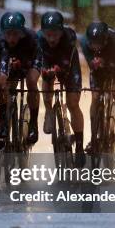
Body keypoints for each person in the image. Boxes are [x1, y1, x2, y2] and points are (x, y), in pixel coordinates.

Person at [38, 11, 85, 163]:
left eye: (55, 34)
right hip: (49, 62)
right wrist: (46, 72)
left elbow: (67, 63)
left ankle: (79, 145)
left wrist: (58, 69)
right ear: (43, 32)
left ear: (61, 32)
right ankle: (49, 110)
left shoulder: (69, 36)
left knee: (72, 104)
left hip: (69, 66)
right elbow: (39, 60)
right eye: (48, 34)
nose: (51, 38)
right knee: (46, 79)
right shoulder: (39, 39)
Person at [0, 11, 41, 144]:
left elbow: (35, 58)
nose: (11, 39)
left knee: (31, 81)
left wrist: (24, 64)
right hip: (8, 61)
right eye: (8, 34)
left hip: (28, 60)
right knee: (0, 81)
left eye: (15, 34)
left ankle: (33, 123)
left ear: (22, 33)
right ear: (3, 33)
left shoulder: (31, 38)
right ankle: (3, 115)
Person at [81, 21, 115, 149]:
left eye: (98, 44)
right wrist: (94, 63)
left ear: (105, 40)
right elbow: (91, 64)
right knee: (95, 97)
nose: (95, 47)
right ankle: (94, 137)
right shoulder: (85, 43)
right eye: (93, 44)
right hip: (98, 70)